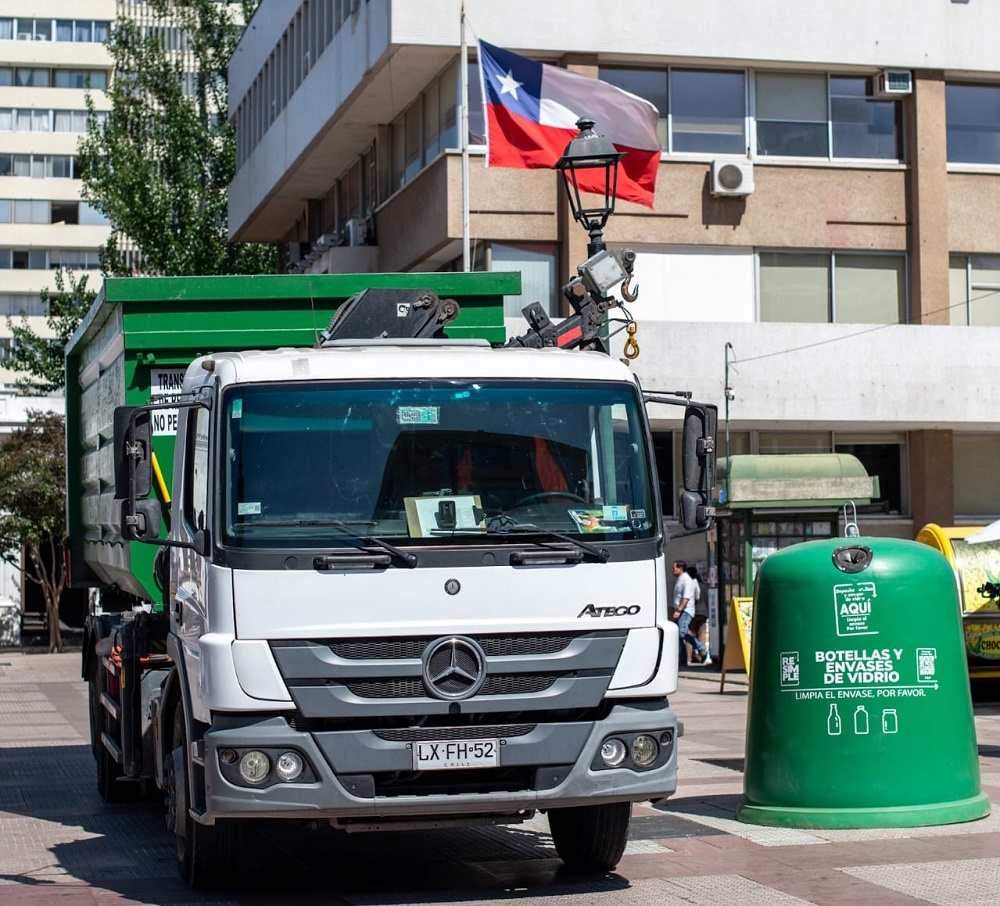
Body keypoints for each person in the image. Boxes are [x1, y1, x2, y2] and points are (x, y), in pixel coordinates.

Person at [671, 560, 709, 667]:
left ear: (681, 568)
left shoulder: (686, 580)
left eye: (674, 568)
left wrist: (679, 610)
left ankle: (701, 649)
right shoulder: (680, 579)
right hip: (692, 611)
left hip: (686, 611)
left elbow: (686, 597)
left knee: (683, 633)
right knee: (680, 635)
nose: (672, 570)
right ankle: (683, 659)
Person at [686, 565, 712, 666]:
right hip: (703, 613)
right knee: (702, 635)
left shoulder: (690, 585)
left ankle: (689, 657)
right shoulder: (704, 586)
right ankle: (702, 656)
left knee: (689, 634)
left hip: (692, 612)